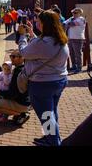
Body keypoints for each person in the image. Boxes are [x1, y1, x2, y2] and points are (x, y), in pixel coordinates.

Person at [18, 11, 69, 146]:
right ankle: (51, 137)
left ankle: (53, 142)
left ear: (45, 24)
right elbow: (40, 47)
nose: (36, 23)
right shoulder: (61, 40)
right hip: (59, 81)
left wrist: (22, 36)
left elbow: (24, 52)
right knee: (51, 112)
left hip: (42, 85)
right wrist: (31, 34)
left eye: (38, 22)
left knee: (46, 115)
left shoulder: (42, 43)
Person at [0, 50, 31, 125]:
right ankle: (20, 112)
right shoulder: (22, 68)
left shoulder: (18, 72)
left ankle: (21, 114)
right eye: (11, 56)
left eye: (14, 57)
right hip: (25, 101)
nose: (11, 58)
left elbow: (13, 94)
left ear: (22, 58)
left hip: (21, 103)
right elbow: (5, 73)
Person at [63, 8, 86, 74]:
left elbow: (71, 24)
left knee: (77, 54)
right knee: (71, 53)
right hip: (70, 38)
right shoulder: (71, 18)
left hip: (78, 38)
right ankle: (74, 66)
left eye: (75, 13)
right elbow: (64, 23)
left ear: (80, 13)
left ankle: (79, 68)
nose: (73, 14)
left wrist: (67, 24)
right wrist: (66, 24)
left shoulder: (81, 19)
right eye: (73, 12)